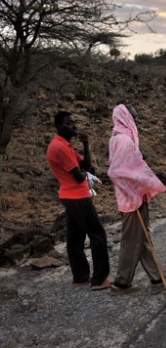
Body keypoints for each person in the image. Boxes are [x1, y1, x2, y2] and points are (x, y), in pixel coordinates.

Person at [107, 103, 166, 296]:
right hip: (132, 199)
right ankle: (121, 283)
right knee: (131, 241)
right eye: (133, 118)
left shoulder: (116, 139)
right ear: (125, 119)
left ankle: (156, 279)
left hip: (130, 197)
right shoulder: (125, 141)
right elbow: (118, 171)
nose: (136, 121)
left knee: (141, 238)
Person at [46, 111, 112, 290]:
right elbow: (79, 176)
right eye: (69, 123)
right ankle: (99, 279)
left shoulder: (66, 145)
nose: (73, 126)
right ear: (58, 126)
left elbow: (86, 166)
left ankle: (81, 276)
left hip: (70, 196)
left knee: (75, 238)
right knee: (98, 235)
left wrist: (86, 144)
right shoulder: (59, 147)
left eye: (74, 123)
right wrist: (85, 175)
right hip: (77, 196)